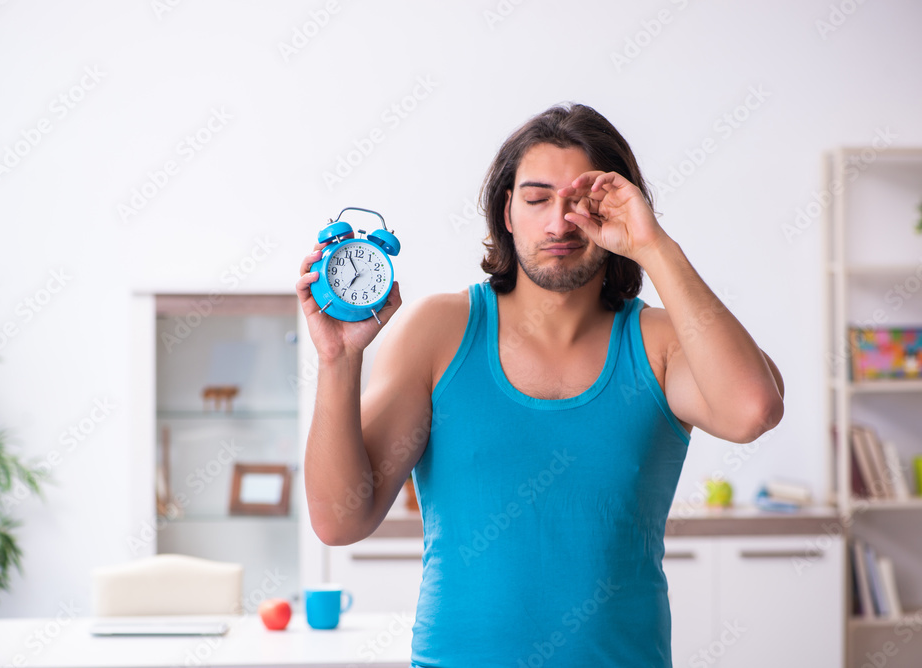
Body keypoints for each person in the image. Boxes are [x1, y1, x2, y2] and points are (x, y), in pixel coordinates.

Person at [296, 102, 785, 667]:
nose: (559, 224)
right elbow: (339, 520)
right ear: (507, 211)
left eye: (581, 202)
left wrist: (654, 246)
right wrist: (337, 360)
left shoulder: (660, 343)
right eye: (536, 200)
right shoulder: (439, 331)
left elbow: (753, 409)